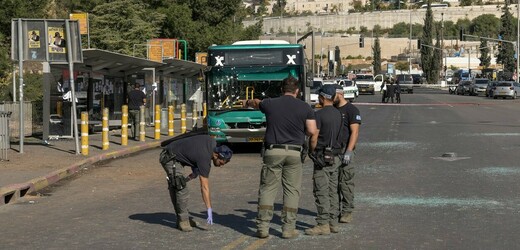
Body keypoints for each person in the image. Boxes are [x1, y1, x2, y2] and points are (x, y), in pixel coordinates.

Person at [245, 75, 318, 239]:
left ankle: (263, 228)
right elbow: (312, 131)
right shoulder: (305, 107)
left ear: (281, 90)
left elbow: (257, 102)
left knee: (268, 189)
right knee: (292, 191)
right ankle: (288, 229)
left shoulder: (270, 103)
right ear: (297, 91)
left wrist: (248, 102)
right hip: (294, 152)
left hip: (273, 151)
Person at [160, 133, 233, 231]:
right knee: (181, 188)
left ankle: (182, 218)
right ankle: (183, 221)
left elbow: (194, 152)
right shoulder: (205, 158)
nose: (221, 165)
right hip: (170, 157)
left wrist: (189, 177)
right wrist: (209, 209)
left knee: (178, 185)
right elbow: (204, 187)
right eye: (221, 162)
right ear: (216, 155)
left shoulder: (211, 143)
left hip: (176, 156)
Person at [305, 84, 343, 236]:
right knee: (333, 191)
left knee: (321, 191)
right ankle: (333, 223)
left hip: (322, 156)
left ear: (322, 97)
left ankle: (323, 224)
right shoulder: (339, 114)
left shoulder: (318, 115)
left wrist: (311, 151)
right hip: (335, 155)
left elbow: (314, 136)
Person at [333, 84, 361, 224]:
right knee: (333, 184)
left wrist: (349, 151)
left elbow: (355, 132)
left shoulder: (351, 109)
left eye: (333, 95)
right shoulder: (332, 109)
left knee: (346, 182)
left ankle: (347, 211)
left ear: (339, 94)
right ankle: (334, 211)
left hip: (345, 150)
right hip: (332, 151)